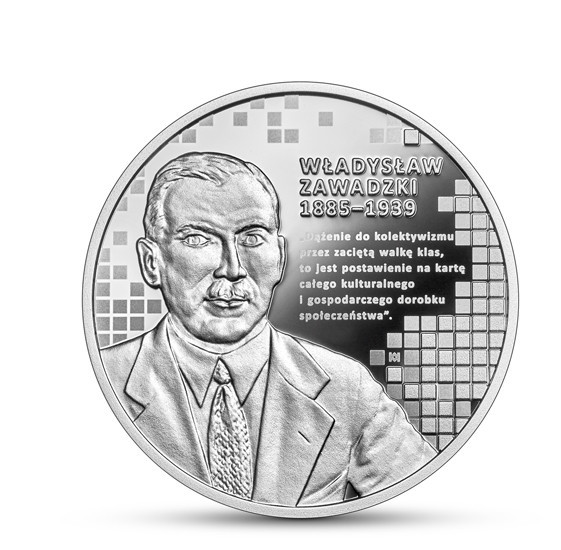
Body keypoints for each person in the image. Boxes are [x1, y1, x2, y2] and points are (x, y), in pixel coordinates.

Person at [102, 152, 436, 507]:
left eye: (252, 237)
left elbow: (427, 508)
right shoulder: (103, 381)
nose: (232, 268)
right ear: (151, 262)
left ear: (280, 256)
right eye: (198, 239)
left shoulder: (347, 389)